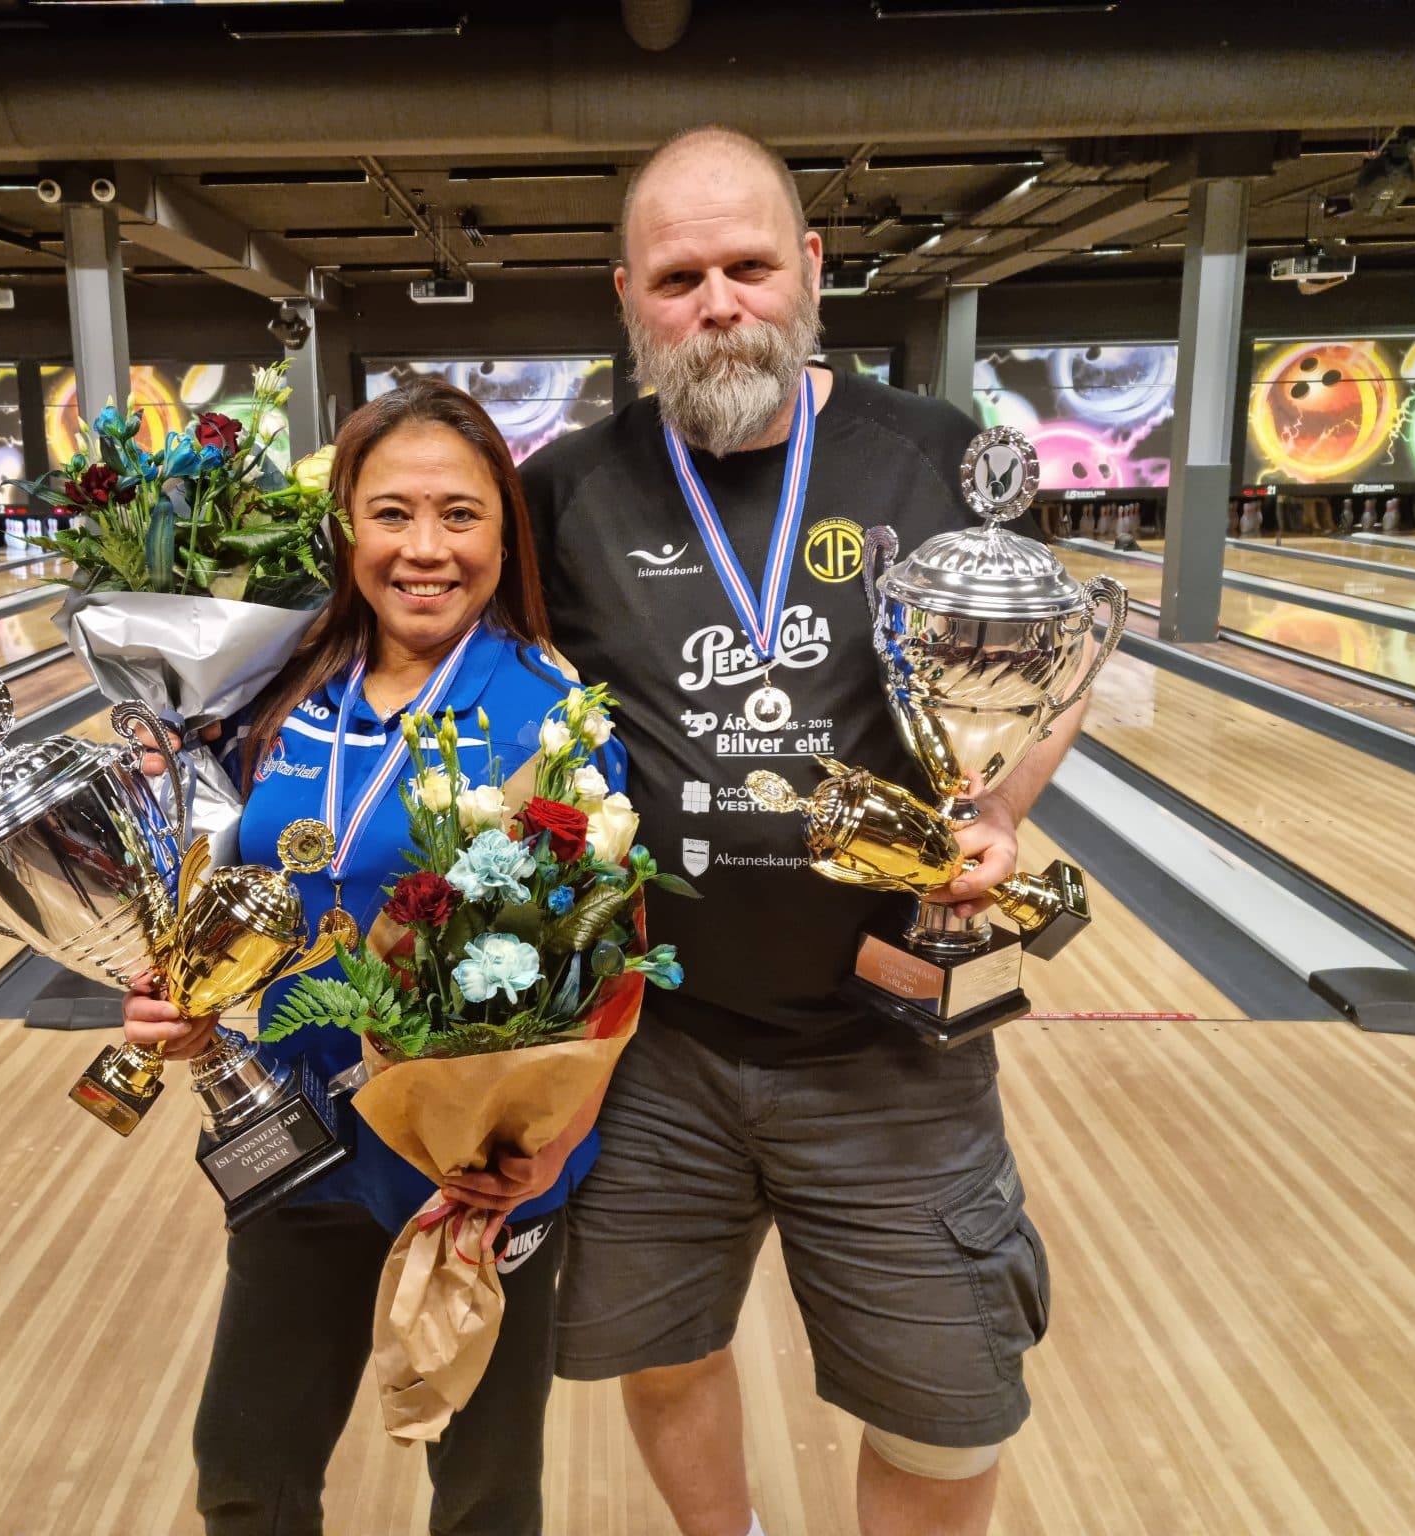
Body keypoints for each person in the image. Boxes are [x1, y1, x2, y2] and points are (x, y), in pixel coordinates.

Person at [520, 126, 1080, 1536]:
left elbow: (1055, 656)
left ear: (811, 268)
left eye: (749, 266)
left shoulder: (934, 455)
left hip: (889, 1045)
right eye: (678, 278)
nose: (718, 303)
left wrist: (997, 804)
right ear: (629, 297)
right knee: (661, 1353)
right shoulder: (569, 489)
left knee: (944, 1420)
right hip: (653, 1043)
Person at [121, 377, 620, 1536]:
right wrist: (178, 998)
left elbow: (603, 957)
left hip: (471, 1171)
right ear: (346, 525)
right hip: (292, 1138)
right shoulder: (279, 693)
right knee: (244, 1477)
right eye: (391, 513)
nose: (424, 549)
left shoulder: (551, 711)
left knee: (483, 1498)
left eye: (459, 514)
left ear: (504, 534)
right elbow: (219, 881)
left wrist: (547, 1149)